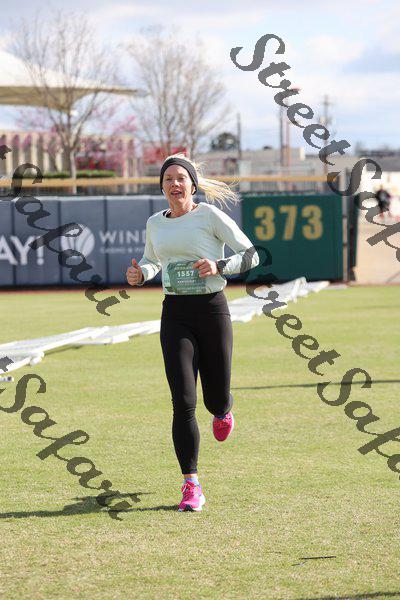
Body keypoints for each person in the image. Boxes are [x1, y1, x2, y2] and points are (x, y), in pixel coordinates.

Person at [126, 153, 260, 512]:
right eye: (167, 179)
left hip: (212, 310)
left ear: (192, 184)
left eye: (180, 178)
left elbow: (252, 255)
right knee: (183, 401)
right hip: (175, 315)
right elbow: (152, 260)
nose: (174, 184)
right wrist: (142, 274)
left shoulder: (210, 216)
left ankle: (223, 409)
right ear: (161, 187)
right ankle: (191, 484)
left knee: (214, 398)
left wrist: (219, 265)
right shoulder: (155, 223)